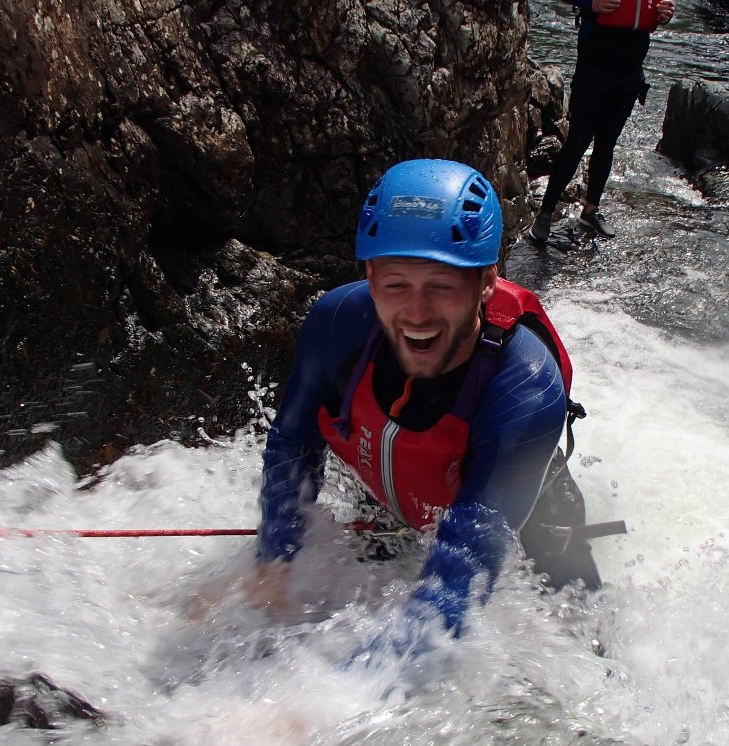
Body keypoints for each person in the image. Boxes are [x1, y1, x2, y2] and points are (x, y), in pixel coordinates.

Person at [250, 159, 607, 664]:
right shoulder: (335, 324)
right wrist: (274, 561)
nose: (416, 313)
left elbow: (456, 589)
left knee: (581, 648)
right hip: (395, 485)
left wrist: (318, 707)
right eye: (396, 284)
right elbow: (293, 444)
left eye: (441, 285)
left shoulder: (524, 387)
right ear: (370, 278)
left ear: (485, 283)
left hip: (520, 507)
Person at [529, 0, 676, 242]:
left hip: (628, 77)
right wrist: (590, 4)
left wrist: (665, 15)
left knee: (606, 144)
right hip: (593, 73)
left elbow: (657, 9)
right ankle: (544, 213)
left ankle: (590, 211)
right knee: (577, 143)